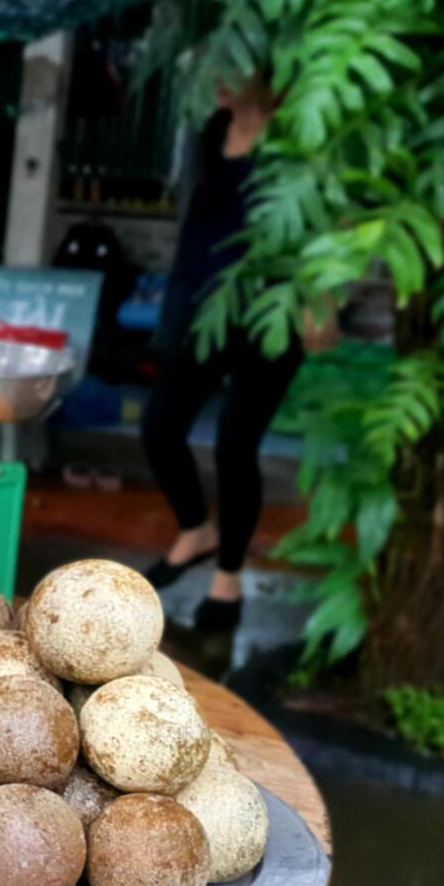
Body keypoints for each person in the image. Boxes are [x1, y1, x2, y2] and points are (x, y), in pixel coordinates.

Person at [140, 75, 317, 632]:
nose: (215, 75)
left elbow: (320, 226)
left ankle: (228, 576)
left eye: (230, 63)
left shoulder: (301, 135)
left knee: (236, 448)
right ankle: (196, 529)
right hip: (200, 310)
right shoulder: (212, 132)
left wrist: (320, 301)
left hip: (270, 313)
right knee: (159, 427)